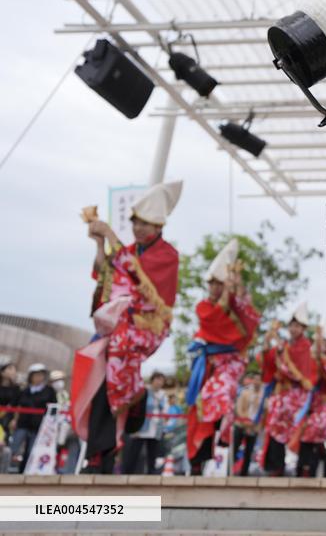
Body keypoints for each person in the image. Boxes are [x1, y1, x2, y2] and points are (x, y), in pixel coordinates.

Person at [72, 182, 182, 474]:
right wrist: (99, 244)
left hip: (147, 326)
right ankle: (99, 452)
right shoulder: (129, 250)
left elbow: (136, 273)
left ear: (158, 225)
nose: (139, 229)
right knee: (99, 373)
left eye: (145, 224)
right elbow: (105, 273)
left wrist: (110, 235)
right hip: (119, 325)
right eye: (136, 223)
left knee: (116, 358)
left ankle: (134, 397)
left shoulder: (167, 255)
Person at [186, 239, 261, 475]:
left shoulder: (235, 304)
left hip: (231, 363)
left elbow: (249, 323)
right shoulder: (203, 307)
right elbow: (214, 322)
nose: (215, 288)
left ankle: (223, 441)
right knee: (200, 407)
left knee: (218, 394)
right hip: (207, 363)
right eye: (213, 284)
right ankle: (199, 456)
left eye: (219, 283)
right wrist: (227, 297)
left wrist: (238, 291)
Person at [259, 304, 318, 476]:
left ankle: (284, 466)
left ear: (303, 328)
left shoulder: (305, 346)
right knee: (273, 426)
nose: (294, 329)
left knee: (283, 428)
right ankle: (274, 466)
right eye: (292, 325)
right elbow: (271, 363)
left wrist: (280, 352)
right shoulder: (285, 345)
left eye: (297, 326)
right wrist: (267, 344)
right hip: (282, 393)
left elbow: (293, 371)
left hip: (295, 394)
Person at [296, 325, 326, 477]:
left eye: (324, 342)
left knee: (315, 433)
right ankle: (301, 469)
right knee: (303, 435)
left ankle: (312, 469)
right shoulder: (312, 357)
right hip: (309, 402)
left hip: (323, 404)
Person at [8, 364, 57, 473]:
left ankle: (25, 472)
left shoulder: (49, 391)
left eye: (41, 375)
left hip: (39, 427)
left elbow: (53, 408)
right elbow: (17, 406)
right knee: (13, 448)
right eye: (36, 375)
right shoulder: (24, 391)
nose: (39, 377)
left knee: (31, 451)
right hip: (22, 424)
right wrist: (14, 419)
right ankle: (5, 469)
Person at [121, 372, 168, 474]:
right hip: (141, 428)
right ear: (153, 380)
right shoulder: (144, 391)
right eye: (158, 379)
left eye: (162, 380)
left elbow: (165, 411)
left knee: (153, 454)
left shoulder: (163, 395)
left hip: (156, 429)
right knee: (134, 452)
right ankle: (127, 473)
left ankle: (152, 474)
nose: (159, 382)